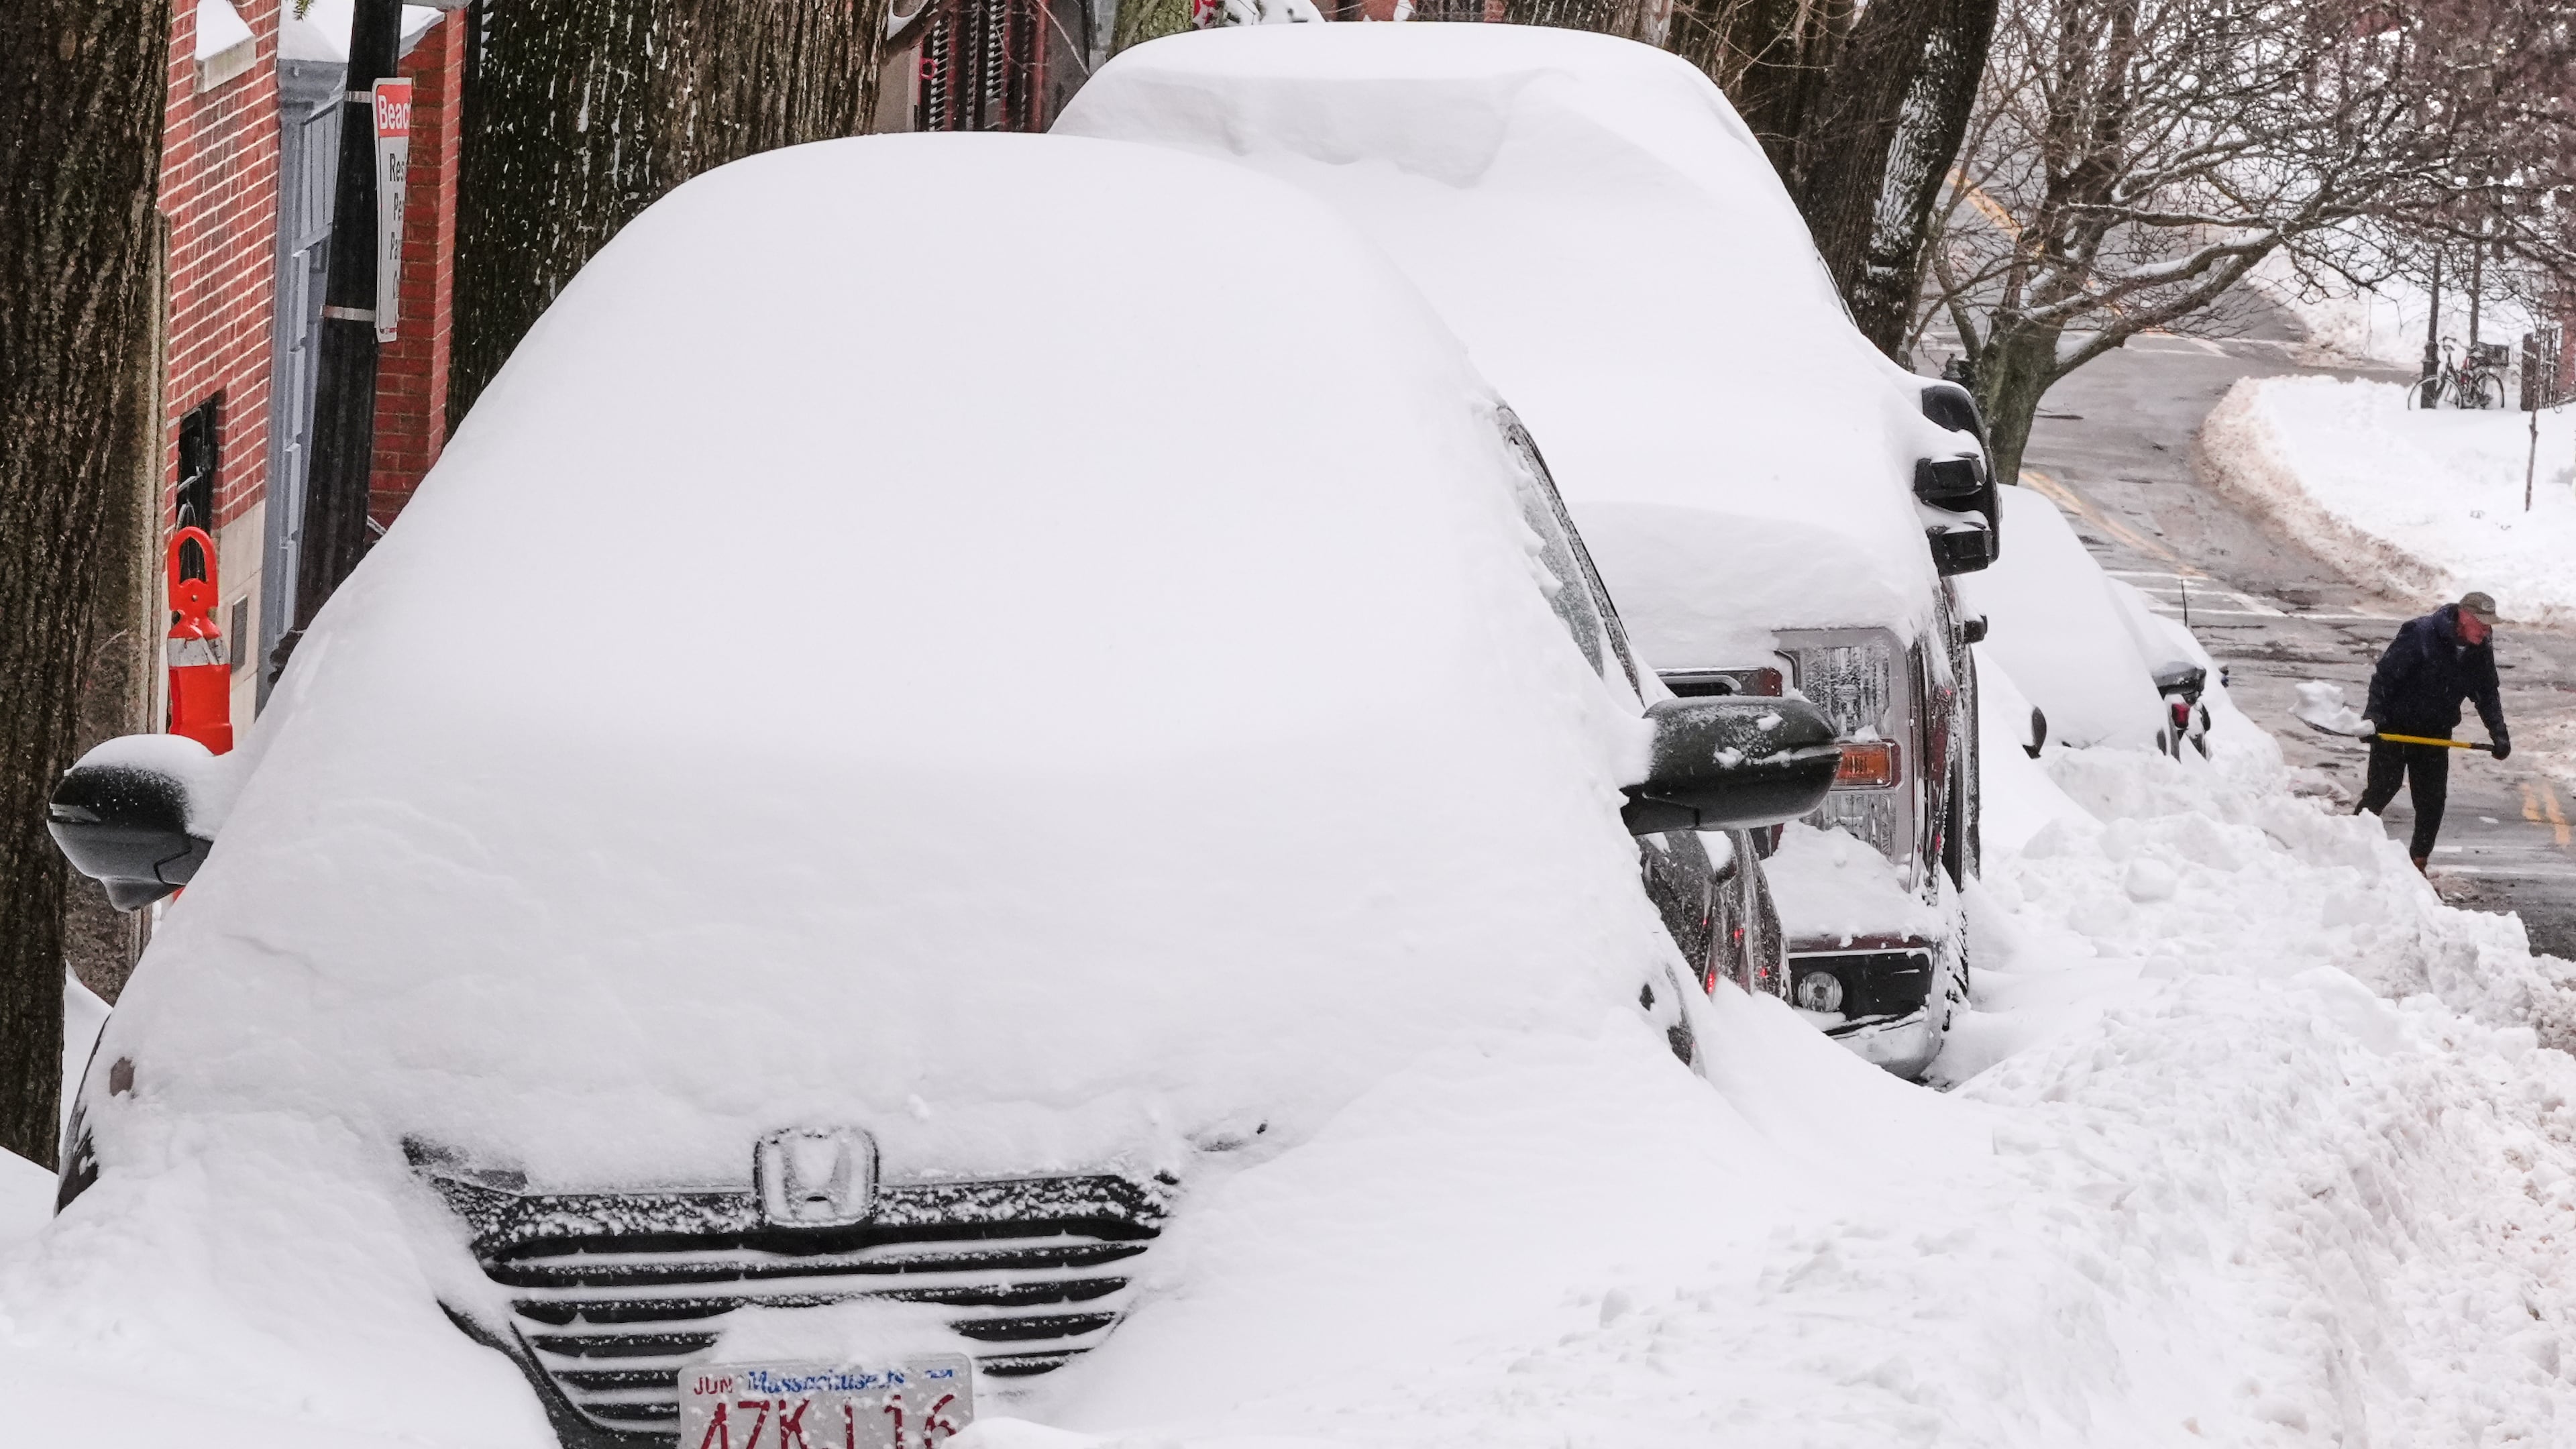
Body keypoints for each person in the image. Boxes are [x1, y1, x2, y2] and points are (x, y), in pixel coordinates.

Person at [2355, 590, 2511, 872]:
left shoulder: (2480, 646)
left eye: (2490, 625)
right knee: (2383, 787)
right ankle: (2347, 843)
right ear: (2464, 617)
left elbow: (2486, 691)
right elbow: (2385, 677)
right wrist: (2373, 717)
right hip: (2395, 726)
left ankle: (2418, 865)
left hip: (2435, 730)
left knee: (2432, 801)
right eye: (2482, 623)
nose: (2487, 631)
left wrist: (2499, 733)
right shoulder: (2420, 634)